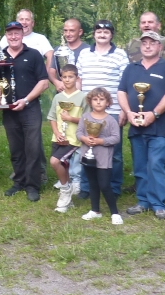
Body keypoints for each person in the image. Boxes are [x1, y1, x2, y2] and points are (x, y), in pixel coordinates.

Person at [117, 31, 165, 220]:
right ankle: (143, 201)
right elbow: (121, 92)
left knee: (156, 164)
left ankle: (159, 204)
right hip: (136, 125)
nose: (148, 46)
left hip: (160, 127)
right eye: (144, 42)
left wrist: (154, 114)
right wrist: (128, 112)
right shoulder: (131, 68)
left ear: (160, 46)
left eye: (152, 43)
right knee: (140, 165)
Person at [126, 12, 165, 199]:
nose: (147, 25)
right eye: (143, 22)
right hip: (139, 104)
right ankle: (141, 184)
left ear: (158, 25)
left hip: (162, 101)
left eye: (151, 22)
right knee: (140, 146)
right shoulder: (132, 44)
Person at [0, 21, 50, 202]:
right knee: (16, 148)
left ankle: (32, 185)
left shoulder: (33, 54)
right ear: (6, 36)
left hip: (30, 108)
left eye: (16, 33)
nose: (13, 36)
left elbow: (44, 82)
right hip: (9, 110)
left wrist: (26, 100)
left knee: (32, 148)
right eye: (10, 33)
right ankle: (19, 181)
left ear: (22, 34)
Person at [75, 20, 128, 198]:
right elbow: (79, 80)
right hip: (88, 111)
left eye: (106, 32)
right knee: (87, 147)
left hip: (112, 110)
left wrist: (123, 109)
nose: (102, 34)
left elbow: (124, 84)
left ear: (112, 35)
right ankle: (86, 187)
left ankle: (113, 187)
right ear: (94, 34)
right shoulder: (83, 54)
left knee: (114, 151)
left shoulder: (120, 55)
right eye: (99, 31)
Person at [77, 88, 123, 225]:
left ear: (108, 102)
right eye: (95, 99)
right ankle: (95, 210)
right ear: (90, 101)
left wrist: (101, 141)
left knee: (104, 185)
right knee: (92, 184)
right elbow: (79, 133)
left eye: (101, 99)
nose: (98, 102)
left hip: (104, 159)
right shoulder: (85, 117)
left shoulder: (110, 120)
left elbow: (116, 138)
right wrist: (85, 139)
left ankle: (115, 213)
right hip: (88, 157)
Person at [48, 64, 87, 213]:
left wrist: (70, 118)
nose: (67, 80)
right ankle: (68, 201)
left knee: (54, 161)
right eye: (64, 77)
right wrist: (56, 132)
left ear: (77, 78)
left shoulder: (83, 97)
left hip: (73, 139)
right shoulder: (58, 97)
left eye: (71, 77)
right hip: (58, 138)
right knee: (63, 166)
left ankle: (65, 190)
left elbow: (87, 120)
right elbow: (52, 117)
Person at [0, 9, 54, 78]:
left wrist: (44, 75)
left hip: (34, 81)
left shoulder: (41, 38)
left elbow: (51, 56)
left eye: (27, 19)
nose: (24, 22)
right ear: (17, 22)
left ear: (32, 23)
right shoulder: (6, 38)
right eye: (21, 19)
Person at [50, 18, 90, 92]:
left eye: (72, 31)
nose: (68, 34)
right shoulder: (58, 50)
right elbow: (51, 71)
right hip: (62, 94)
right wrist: (56, 82)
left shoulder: (89, 50)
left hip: (83, 95)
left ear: (80, 32)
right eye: (65, 30)